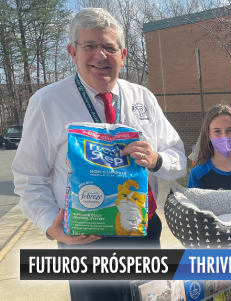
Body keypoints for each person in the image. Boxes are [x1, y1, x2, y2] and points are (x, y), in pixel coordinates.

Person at [12, 8, 187, 301]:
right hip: (84, 240)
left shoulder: (142, 97)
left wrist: (156, 160)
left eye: (109, 47)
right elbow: (28, 177)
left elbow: (179, 158)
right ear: (72, 51)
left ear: (123, 54)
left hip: (141, 232)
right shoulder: (47, 103)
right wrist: (49, 225)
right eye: (89, 46)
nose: (100, 55)